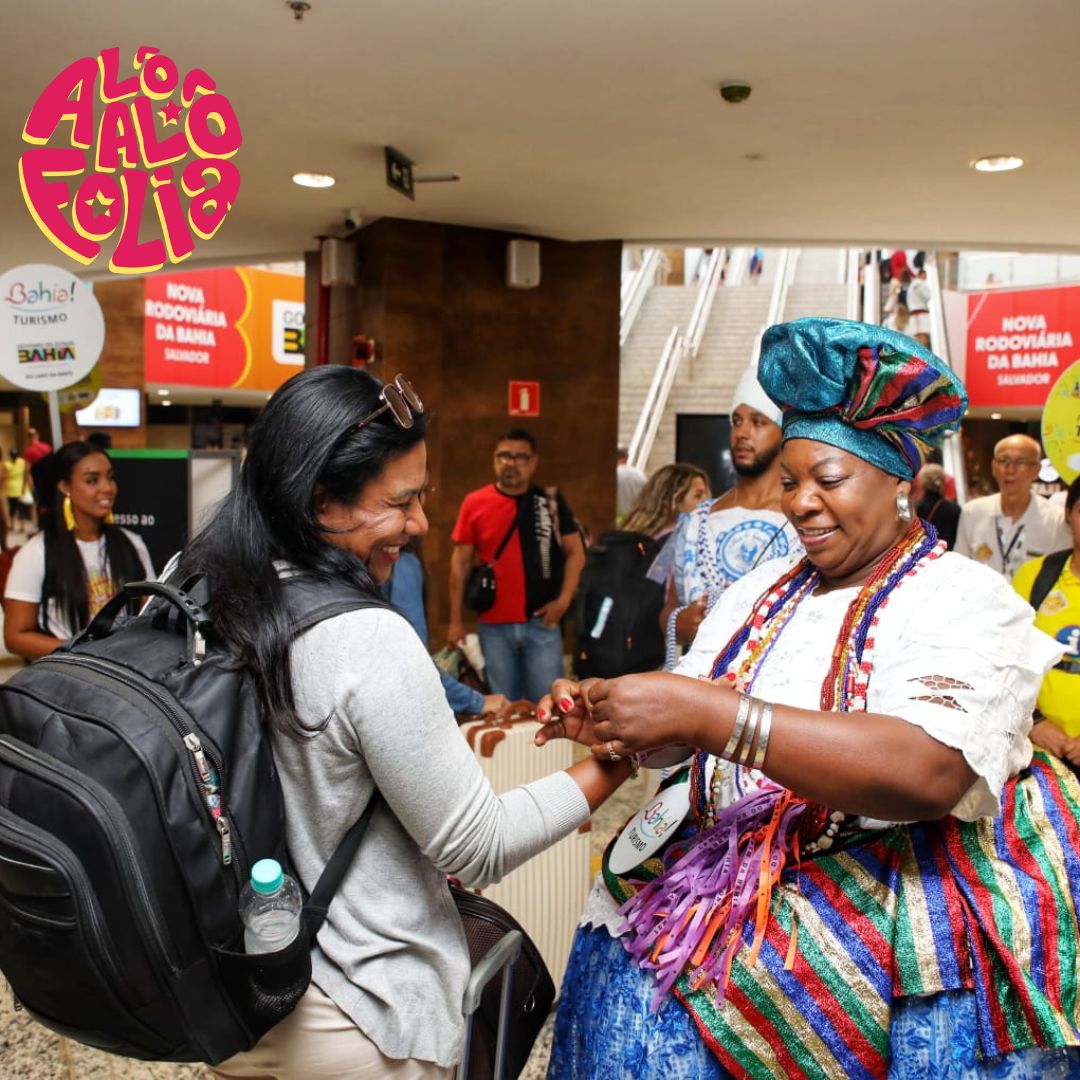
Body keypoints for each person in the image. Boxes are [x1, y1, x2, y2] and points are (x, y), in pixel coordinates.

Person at [540, 318, 1074, 1079]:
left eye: (828, 479)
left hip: (888, 898)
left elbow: (929, 772)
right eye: (789, 482)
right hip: (725, 870)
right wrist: (626, 718)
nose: (800, 503)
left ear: (901, 482)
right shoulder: (759, 592)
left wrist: (711, 715)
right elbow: (691, 723)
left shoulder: (963, 598)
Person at [167, 367, 629, 1079]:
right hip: (354, 1014)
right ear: (322, 500)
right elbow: (479, 843)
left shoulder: (189, 585)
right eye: (402, 501)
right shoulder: (364, 638)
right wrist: (614, 761)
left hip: (228, 996)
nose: (419, 524)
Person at [654, 366, 799, 658]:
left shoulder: (802, 518)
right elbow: (668, 609)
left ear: (784, 432)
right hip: (702, 687)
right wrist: (678, 623)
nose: (743, 433)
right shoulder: (696, 522)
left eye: (759, 422)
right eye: (737, 421)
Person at [448, 429, 586, 703]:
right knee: (504, 707)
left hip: (542, 624)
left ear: (533, 463)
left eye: (520, 457)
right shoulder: (474, 503)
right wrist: (455, 621)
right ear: (494, 459)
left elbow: (576, 553)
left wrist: (564, 600)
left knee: (551, 705)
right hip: (493, 628)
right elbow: (459, 564)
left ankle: (548, 749)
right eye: (504, 456)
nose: (511, 463)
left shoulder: (550, 502)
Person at [3, 441, 153, 660]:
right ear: (65, 487)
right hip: (66, 679)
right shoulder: (36, 553)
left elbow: (151, 615)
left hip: (126, 675)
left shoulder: (132, 544)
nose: (107, 488)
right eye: (92, 480)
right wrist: (85, 652)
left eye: (110, 477)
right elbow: (16, 636)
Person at [383, 537, 509, 716]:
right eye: (405, 507)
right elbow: (414, 661)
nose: (422, 524)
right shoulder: (403, 563)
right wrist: (477, 701)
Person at [1012, 475, 1080, 763]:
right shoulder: (1034, 576)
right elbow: (1006, 661)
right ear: (1068, 514)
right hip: (1039, 752)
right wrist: (1035, 721)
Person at [954, 433, 1071, 576]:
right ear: (993, 466)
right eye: (1003, 461)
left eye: (1020, 463)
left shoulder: (1056, 520)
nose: (1010, 470)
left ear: (1036, 470)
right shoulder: (972, 512)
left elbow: (1062, 576)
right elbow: (958, 569)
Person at [620, 462, 710, 540]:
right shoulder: (683, 540)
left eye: (707, 495)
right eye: (698, 496)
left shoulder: (634, 536)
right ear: (672, 500)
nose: (706, 501)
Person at [914, 462, 961, 549]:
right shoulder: (955, 510)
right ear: (943, 482)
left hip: (923, 557)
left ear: (922, 483)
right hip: (949, 556)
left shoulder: (914, 509)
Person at [616, 446, 647, 524]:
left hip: (616, 520)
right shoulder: (640, 474)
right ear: (626, 458)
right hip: (634, 520)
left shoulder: (611, 475)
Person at [906, 266, 932, 346]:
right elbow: (927, 296)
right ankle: (924, 351)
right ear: (921, 274)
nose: (925, 277)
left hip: (913, 312)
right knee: (924, 333)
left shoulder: (911, 286)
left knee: (916, 333)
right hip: (922, 311)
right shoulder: (923, 284)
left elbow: (908, 299)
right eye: (925, 275)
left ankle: (917, 351)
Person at [4, 449, 29, 533]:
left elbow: (5, 476)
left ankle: (13, 525)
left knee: (12, 508)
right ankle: (23, 527)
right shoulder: (22, 462)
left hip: (10, 489)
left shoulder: (7, 464)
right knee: (21, 509)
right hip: (20, 489)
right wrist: (25, 485)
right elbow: (26, 474)